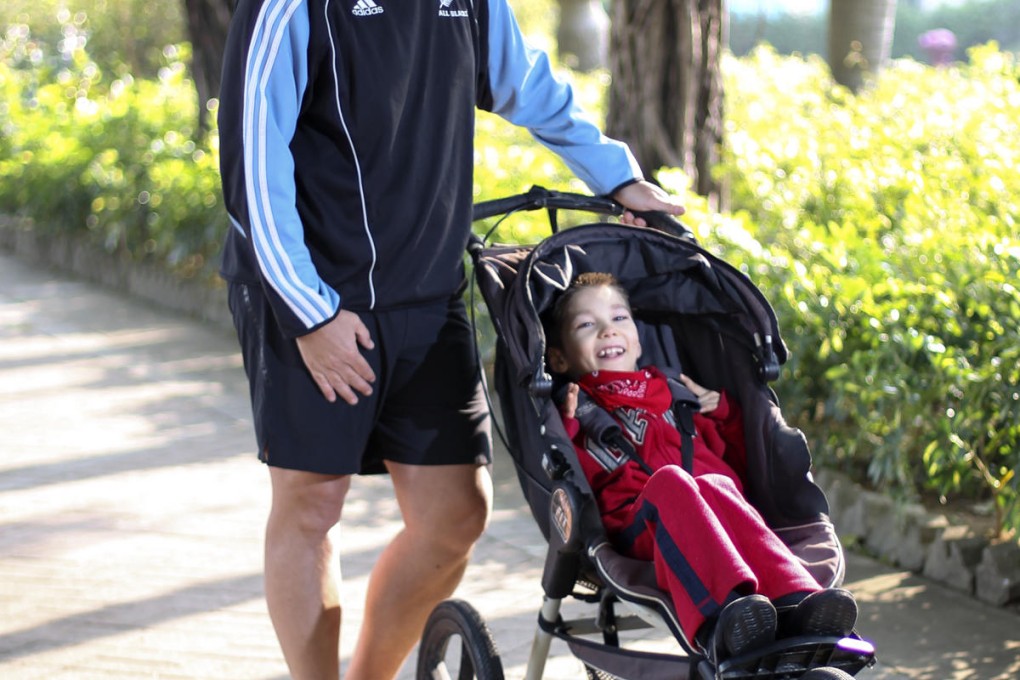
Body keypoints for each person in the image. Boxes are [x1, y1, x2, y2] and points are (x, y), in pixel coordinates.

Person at [216, 1, 685, 678]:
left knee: (456, 512)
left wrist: (616, 176)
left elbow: (529, 85)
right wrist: (310, 313)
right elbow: (252, 160)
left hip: (428, 289)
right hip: (316, 293)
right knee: (313, 502)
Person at [544, 272, 859, 661]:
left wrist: (722, 412)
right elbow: (578, 482)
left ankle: (803, 601)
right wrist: (568, 426)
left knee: (717, 482)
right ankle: (721, 623)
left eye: (619, 318)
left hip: (721, 516)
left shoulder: (680, 393)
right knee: (674, 481)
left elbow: (739, 461)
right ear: (559, 357)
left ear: (639, 337)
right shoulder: (579, 408)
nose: (608, 331)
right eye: (587, 325)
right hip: (646, 526)